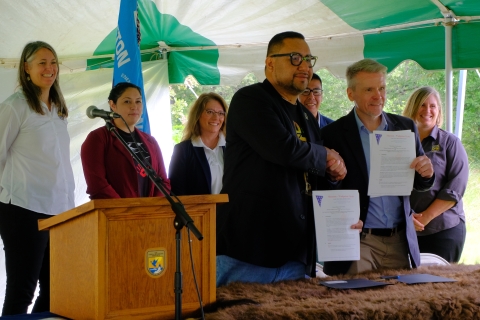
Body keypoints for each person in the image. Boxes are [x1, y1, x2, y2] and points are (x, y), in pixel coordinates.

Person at [216, 31, 362, 287]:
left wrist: (335, 178)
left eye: (309, 59)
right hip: (250, 252)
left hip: (296, 254)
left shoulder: (305, 116)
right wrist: (327, 155)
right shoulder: (251, 100)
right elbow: (285, 150)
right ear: (270, 63)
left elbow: (313, 174)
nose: (305, 66)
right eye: (295, 58)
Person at [320, 59, 435, 276]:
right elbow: (323, 190)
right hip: (359, 241)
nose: (378, 96)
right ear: (350, 93)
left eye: (382, 88)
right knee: (356, 306)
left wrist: (427, 174)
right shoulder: (332, 134)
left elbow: (419, 184)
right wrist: (333, 177)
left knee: (400, 306)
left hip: (400, 241)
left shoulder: (405, 126)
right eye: (369, 89)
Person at [0, 41, 75, 315]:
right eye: (42, 62)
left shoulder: (58, 108)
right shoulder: (15, 107)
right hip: (22, 209)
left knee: (57, 289)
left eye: (53, 62)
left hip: (59, 212)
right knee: (22, 291)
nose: (49, 68)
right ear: (26, 68)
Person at [403, 86, 468, 263]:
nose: (427, 110)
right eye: (422, 105)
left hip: (443, 231)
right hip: (406, 229)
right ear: (412, 107)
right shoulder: (399, 142)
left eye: (432, 106)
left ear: (438, 111)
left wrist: (425, 217)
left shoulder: (450, 143)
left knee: (440, 287)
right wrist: (408, 218)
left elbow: (455, 188)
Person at [81, 82, 170, 199]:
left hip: (150, 213)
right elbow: (97, 185)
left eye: (138, 101)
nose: (134, 106)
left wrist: (153, 207)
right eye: (127, 101)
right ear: (112, 105)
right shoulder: (98, 138)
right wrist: (126, 209)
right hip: (115, 213)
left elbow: (163, 181)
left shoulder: (150, 141)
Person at [169, 93, 228, 196]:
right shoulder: (183, 150)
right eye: (210, 112)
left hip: (230, 211)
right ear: (198, 115)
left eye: (221, 113)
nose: (216, 117)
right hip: (196, 211)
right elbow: (177, 193)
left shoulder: (233, 148)